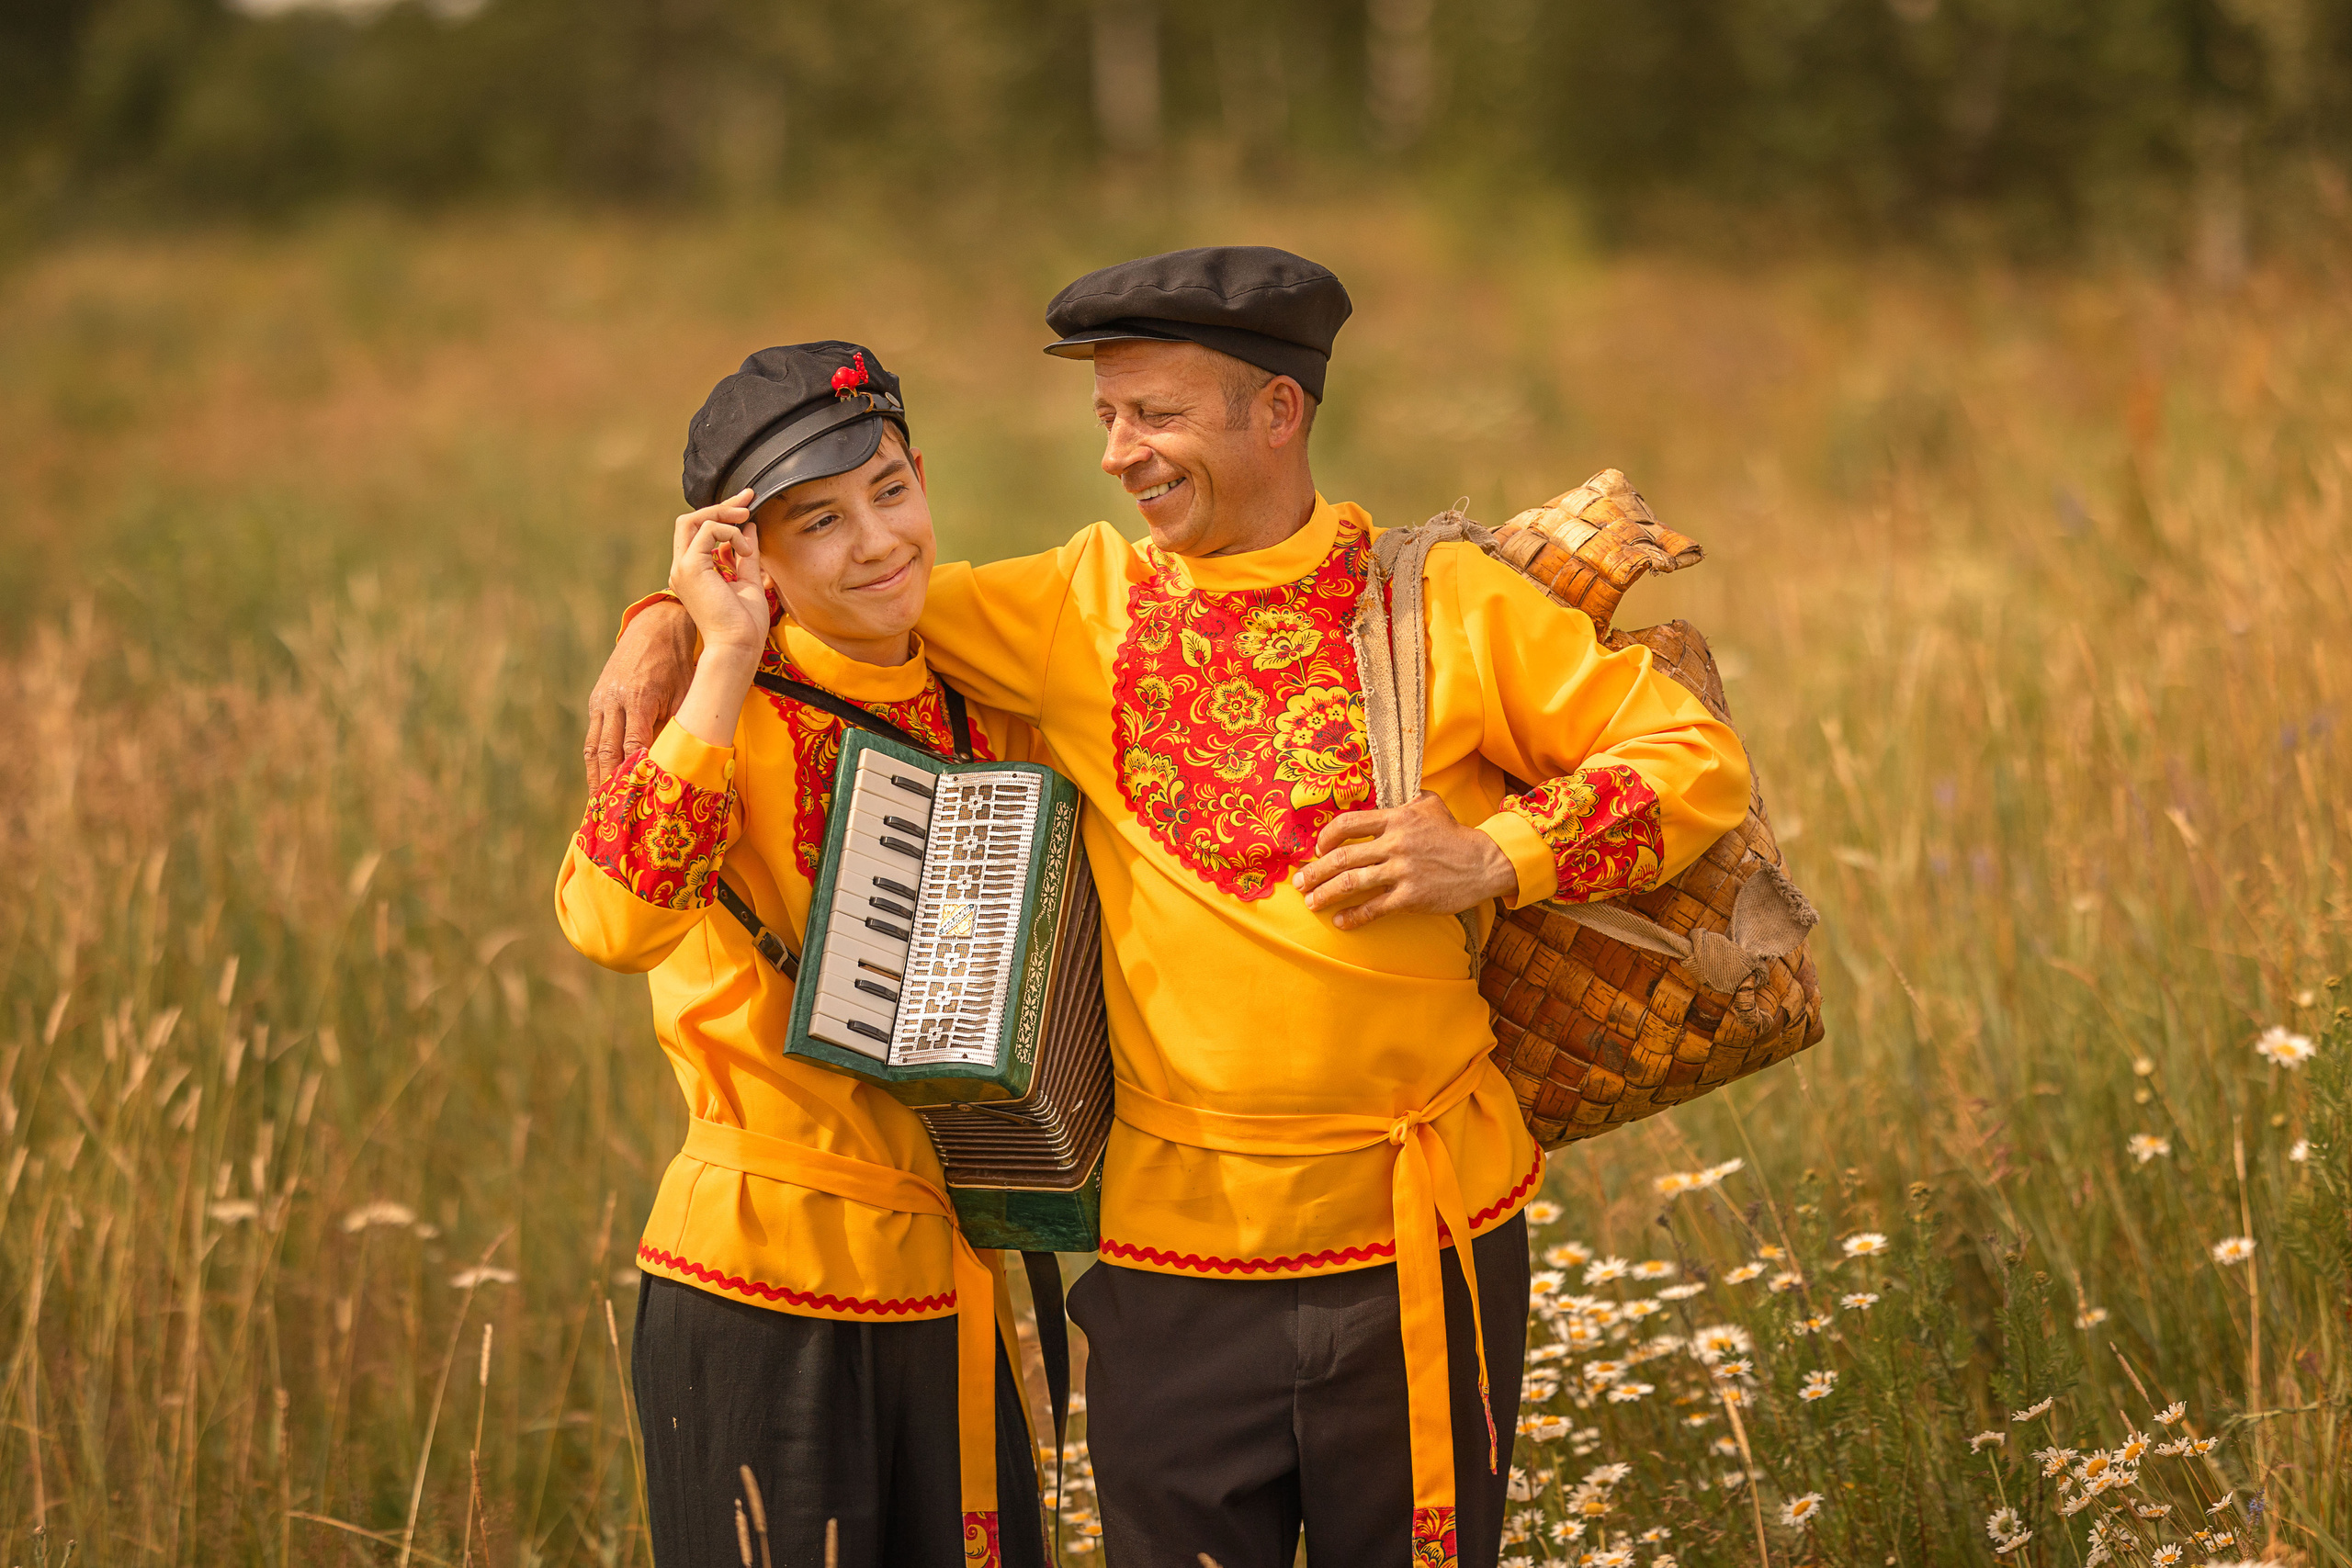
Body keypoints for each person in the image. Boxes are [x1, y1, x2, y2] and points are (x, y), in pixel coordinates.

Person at [584, 249, 1751, 1568]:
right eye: (1107, 419)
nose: (1118, 455)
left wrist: (1500, 855)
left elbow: (1695, 761)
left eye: (1156, 416)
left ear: (1278, 412)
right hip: (1163, 1269)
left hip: (1424, 1237)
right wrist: (659, 623)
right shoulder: (1072, 603)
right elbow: (830, 593)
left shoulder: (1445, 602)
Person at [556, 342, 1046, 1568]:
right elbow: (612, 925)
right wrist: (707, 643)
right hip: (753, 1285)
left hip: (949, 1279)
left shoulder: (992, 697)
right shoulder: (713, 711)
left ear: (924, 476)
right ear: (747, 554)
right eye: (816, 521)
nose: (876, 543)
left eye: (890, 491)